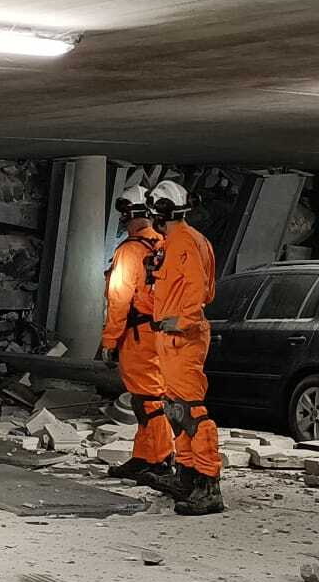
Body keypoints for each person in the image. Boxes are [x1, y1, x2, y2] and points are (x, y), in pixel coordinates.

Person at [96, 185, 178, 494]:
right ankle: (143, 457)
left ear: (130, 216)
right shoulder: (164, 245)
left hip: (138, 335)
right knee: (147, 396)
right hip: (161, 333)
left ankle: (158, 459)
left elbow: (118, 299)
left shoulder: (130, 251)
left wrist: (109, 341)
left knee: (147, 400)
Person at [148, 179, 224, 516]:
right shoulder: (187, 240)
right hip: (174, 335)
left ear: (162, 211)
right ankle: (189, 476)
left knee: (191, 412)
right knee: (175, 409)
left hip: (182, 336)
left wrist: (183, 321)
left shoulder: (181, 242)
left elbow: (195, 289)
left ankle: (209, 485)